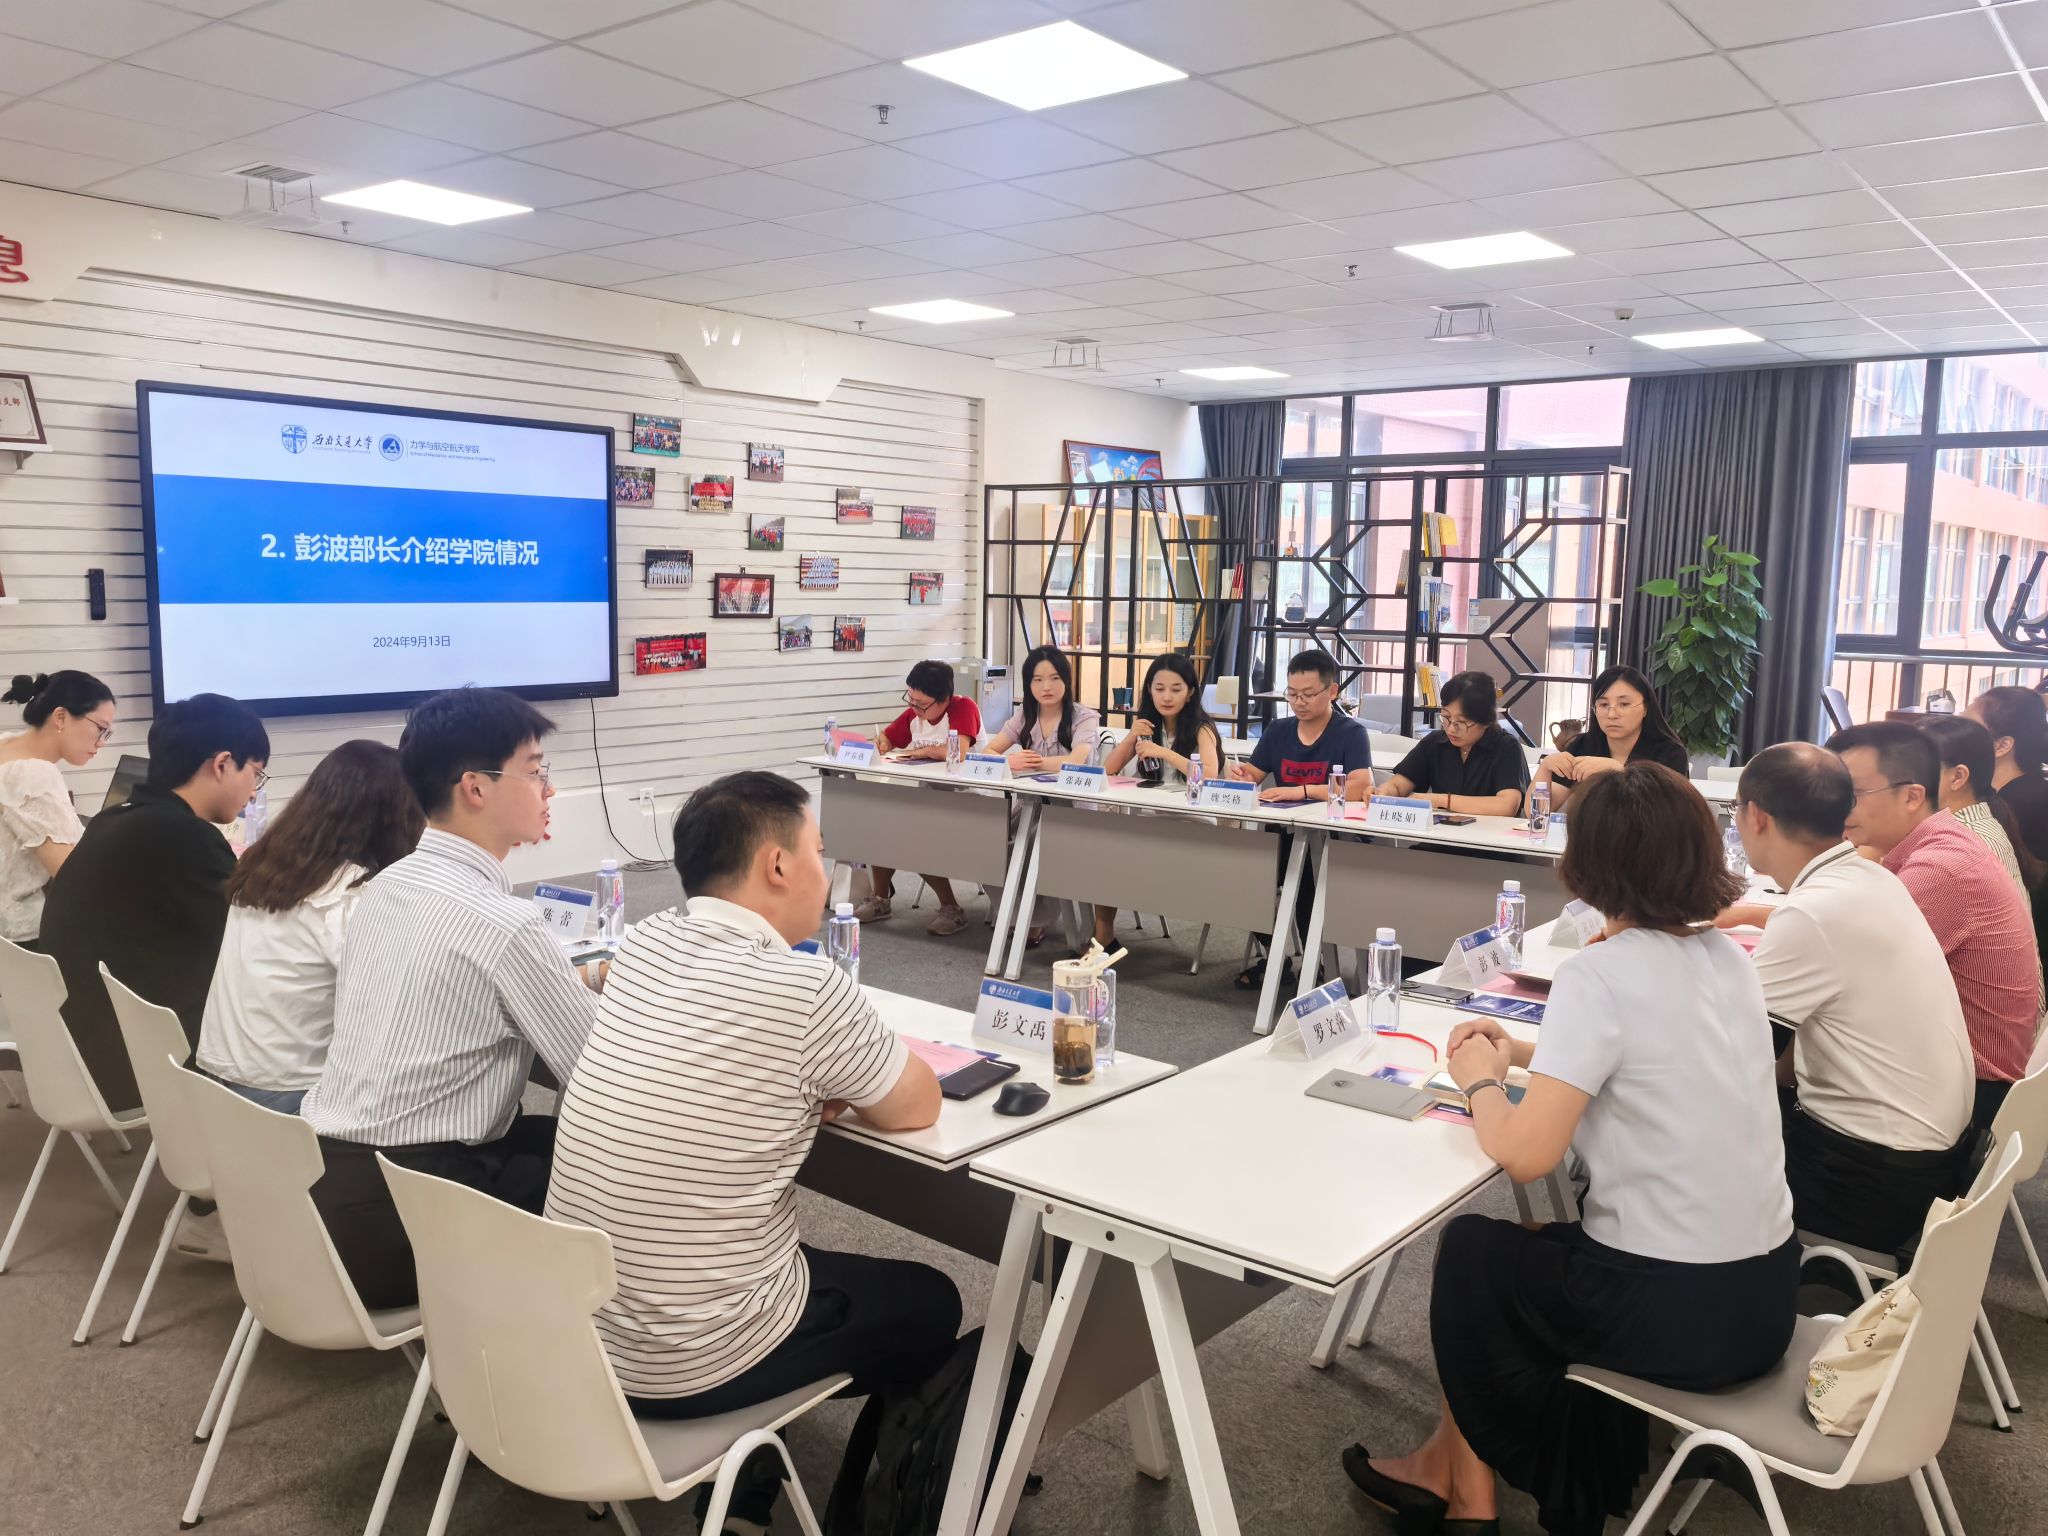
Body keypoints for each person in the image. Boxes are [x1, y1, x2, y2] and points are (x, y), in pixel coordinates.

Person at [1347, 763, 1795, 1536]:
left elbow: (1526, 1155)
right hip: (1764, 1298)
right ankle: (1446, 1474)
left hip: (1673, 1313)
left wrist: (1481, 1079)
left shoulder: (1601, 972)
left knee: (1471, 1253)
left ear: (1584, 864)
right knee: (1530, 1244)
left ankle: (1470, 1499)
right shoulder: (1729, 958)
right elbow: (1656, 1056)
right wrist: (1528, 1051)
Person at [546, 771, 956, 1529]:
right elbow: (916, 1105)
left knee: (771, 1263)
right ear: (777, 865)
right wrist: (830, 1079)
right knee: (931, 1300)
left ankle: (747, 1495)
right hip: (693, 1363)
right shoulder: (804, 988)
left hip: (582, 1343)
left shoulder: (643, 944)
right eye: (820, 852)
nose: (826, 873)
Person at [301, 687, 599, 1309]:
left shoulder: (384, 887)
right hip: (411, 1222)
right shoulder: (504, 924)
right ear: (476, 788)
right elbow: (599, 1075)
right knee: (619, 1163)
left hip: (324, 1195)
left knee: (546, 1139)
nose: (548, 790)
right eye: (535, 771)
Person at [1721, 744, 1975, 1254]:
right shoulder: (1869, 878)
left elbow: (1728, 1063)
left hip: (1867, 1179)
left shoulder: (1812, 913)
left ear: (1756, 817)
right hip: (1926, 1157)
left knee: (1679, 1154)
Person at [39, 693, 267, 1114]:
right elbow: (250, 947)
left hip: (71, 1054)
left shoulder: (114, 819)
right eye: (256, 774)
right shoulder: (187, 838)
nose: (253, 794)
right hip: (137, 1066)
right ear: (222, 764)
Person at [1827, 722, 2040, 1140]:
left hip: (1969, 1093)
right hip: (1958, 1070)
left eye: (1852, 794)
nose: (1837, 809)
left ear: (1912, 796)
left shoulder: (1940, 868)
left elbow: (1846, 978)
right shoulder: (1939, 841)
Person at [195, 741, 425, 1114]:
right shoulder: (349, 896)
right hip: (287, 1098)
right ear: (395, 819)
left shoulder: (264, 867)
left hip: (220, 1083)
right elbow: (393, 1012)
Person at [1227, 647, 1372, 987]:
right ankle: (1276, 957)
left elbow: (1359, 786)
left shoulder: (1350, 733)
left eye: (1308, 694)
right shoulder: (1279, 730)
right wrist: (1241, 776)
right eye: (1291, 694)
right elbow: (1253, 775)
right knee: (1245, 876)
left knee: (1306, 880)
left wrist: (1302, 791)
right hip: (1285, 831)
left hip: (1334, 838)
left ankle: (1313, 964)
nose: (1298, 702)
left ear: (1332, 691)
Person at [1098, 653, 1224, 947]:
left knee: (1120, 852)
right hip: (1150, 821)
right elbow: (1108, 770)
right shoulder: (1147, 726)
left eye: (1176, 689)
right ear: (1149, 690)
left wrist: (1164, 753)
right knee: (1104, 852)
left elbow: (1208, 774)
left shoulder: (1202, 728)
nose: (1166, 696)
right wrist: (1131, 737)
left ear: (1190, 692)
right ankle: (1103, 938)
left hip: (1192, 825)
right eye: (1159, 688)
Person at [855, 659, 984, 937]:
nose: (914, 708)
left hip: (973, 803)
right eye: (910, 699)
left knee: (916, 832)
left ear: (944, 699)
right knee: (882, 821)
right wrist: (883, 742)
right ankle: (881, 899)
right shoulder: (915, 714)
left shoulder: (964, 707)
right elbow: (888, 738)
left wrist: (920, 752)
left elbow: (957, 751)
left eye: (922, 704)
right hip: (930, 799)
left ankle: (950, 908)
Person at [984, 646, 1100, 947]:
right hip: (1030, 806)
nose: (1046, 687)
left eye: (1054, 678)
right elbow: (988, 752)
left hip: (1072, 810)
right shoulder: (1025, 715)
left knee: (1031, 843)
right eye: (1037, 680)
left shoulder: (1084, 717)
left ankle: (1032, 920)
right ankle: (1020, 914)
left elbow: (1075, 761)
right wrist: (1009, 761)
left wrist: (1031, 763)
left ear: (1067, 680)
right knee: (985, 841)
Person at [0, 670, 116, 943]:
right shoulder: (33, 774)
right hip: (24, 938)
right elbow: (73, 877)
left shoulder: (7, 742)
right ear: (61, 717)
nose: (101, 743)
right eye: (100, 728)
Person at [1369, 670, 1528, 817]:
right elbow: (1398, 786)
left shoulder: (1506, 747)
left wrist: (1440, 800)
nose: (1451, 728)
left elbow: (1506, 806)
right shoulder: (1434, 743)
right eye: (1446, 717)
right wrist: (1382, 793)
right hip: (1440, 835)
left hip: (1489, 837)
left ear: (1486, 721)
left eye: (1462, 722)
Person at [1531, 664, 1688, 812]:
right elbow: (1537, 812)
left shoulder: (1670, 753)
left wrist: (1620, 771)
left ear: (1646, 707)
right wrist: (1545, 767)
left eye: (1624, 704)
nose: (1612, 714)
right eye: (1604, 705)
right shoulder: (1581, 746)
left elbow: (1668, 814)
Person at [1921, 714, 2042, 895]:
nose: (1901, 778)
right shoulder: (1976, 820)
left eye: (1916, 767)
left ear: (1957, 777)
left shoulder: (1956, 845)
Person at [1964, 684, 2048, 864]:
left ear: (2002, 746)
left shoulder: (2013, 806)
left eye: (1968, 729)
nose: (1956, 736)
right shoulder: (1996, 792)